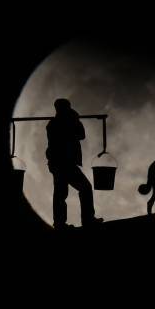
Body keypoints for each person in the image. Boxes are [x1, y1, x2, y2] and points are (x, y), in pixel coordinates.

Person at [46, 98, 103, 229]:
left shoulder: (54, 124)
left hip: (59, 163)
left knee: (61, 192)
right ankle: (86, 219)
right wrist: (75, 119)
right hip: (64, 163)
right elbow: (80, 135)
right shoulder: (58, 124)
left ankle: (60, 223)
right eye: (67, 107)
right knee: (84, 188)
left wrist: (74, 120)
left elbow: (80, 135)